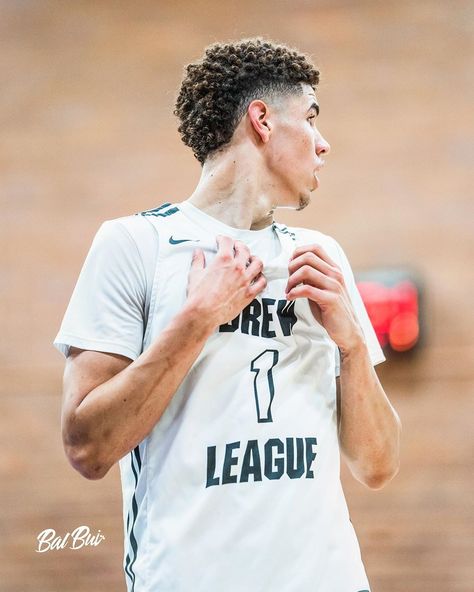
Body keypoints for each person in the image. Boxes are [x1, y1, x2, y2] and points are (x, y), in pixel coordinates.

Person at [54, 37, 401, 592]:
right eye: (310, 119)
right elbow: (87, 447)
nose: (323, 144)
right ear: (262, 120)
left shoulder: (320, 256)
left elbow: (378, 466)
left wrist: (354, 345)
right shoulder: (133, 244)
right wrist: (197, 319)